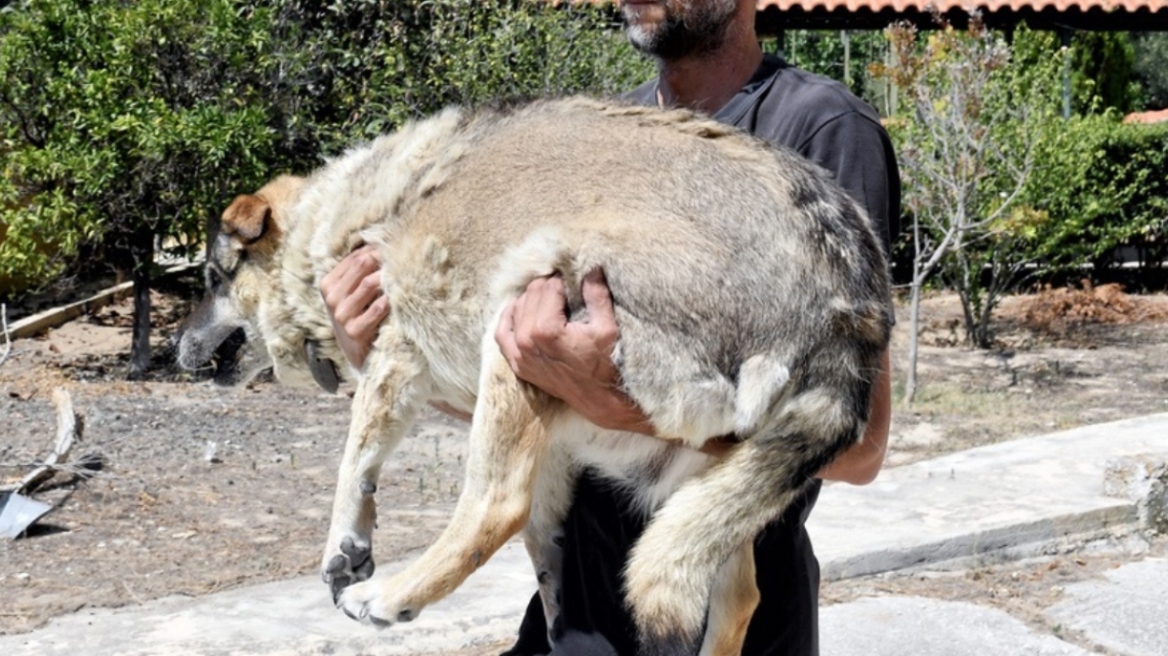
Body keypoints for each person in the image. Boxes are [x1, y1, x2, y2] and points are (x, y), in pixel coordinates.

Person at [320, 1, 899, 654]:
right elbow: (525, 382)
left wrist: (614, 404)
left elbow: (858, 448)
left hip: (730, 627)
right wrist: (381, 353)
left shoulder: (820, 126)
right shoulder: (601, 137)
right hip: (572, 618)